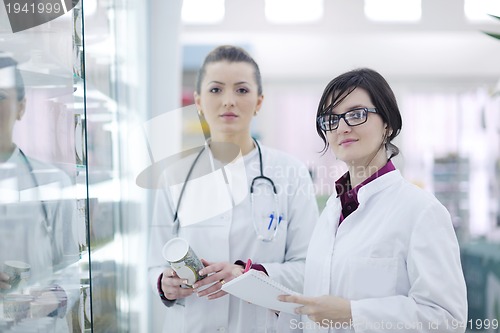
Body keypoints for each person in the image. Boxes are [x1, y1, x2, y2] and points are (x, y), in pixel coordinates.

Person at [279, 68, 468, 332]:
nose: (342, 127)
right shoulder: (331, 212)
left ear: (388, 124)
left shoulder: (421, 211)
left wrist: (353, 313)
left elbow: (447, 318)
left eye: (356, 114)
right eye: (331, 119)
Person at [148, 45, 319, 333]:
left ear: (259, 101)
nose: (229, 101)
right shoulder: (174, 175)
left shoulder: (291, 173)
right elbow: (153, 264)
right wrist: (163, 284)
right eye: (216, 90)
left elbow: (309, 269)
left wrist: (246, 274)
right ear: (199, 101)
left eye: (241, 90)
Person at [0, 53, 80, 332]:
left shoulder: (52, 183)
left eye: (0, 96)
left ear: (21, 107)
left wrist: (53, 297)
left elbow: (72, 269)